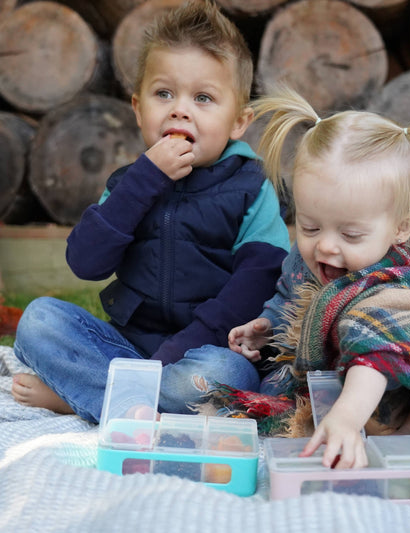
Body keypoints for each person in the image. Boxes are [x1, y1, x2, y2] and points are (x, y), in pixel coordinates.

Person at [219, 85, 410, 469]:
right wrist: (267, 325)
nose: (326, 247)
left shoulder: (394, 282)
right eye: (310, 226)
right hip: (349, 378)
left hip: (409, 369)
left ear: (401, 228)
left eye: (350, 235)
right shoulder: (306, 263)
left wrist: (347, 417)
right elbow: (292, 297)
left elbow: (375, 348)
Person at [11, 0, 290, 423]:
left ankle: (85, 397)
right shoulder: (131, 183)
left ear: (238, 121)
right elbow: (85, 263)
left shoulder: (251, 187)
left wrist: (171, 357)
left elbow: (253, 288)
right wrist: (145, 181)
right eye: (164, 94)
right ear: (139, 109)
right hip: (128, 345)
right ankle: (126, 400)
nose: (180, 109)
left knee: (222, 378)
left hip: (205, 351)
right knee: (40, 320)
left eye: (203, 97)